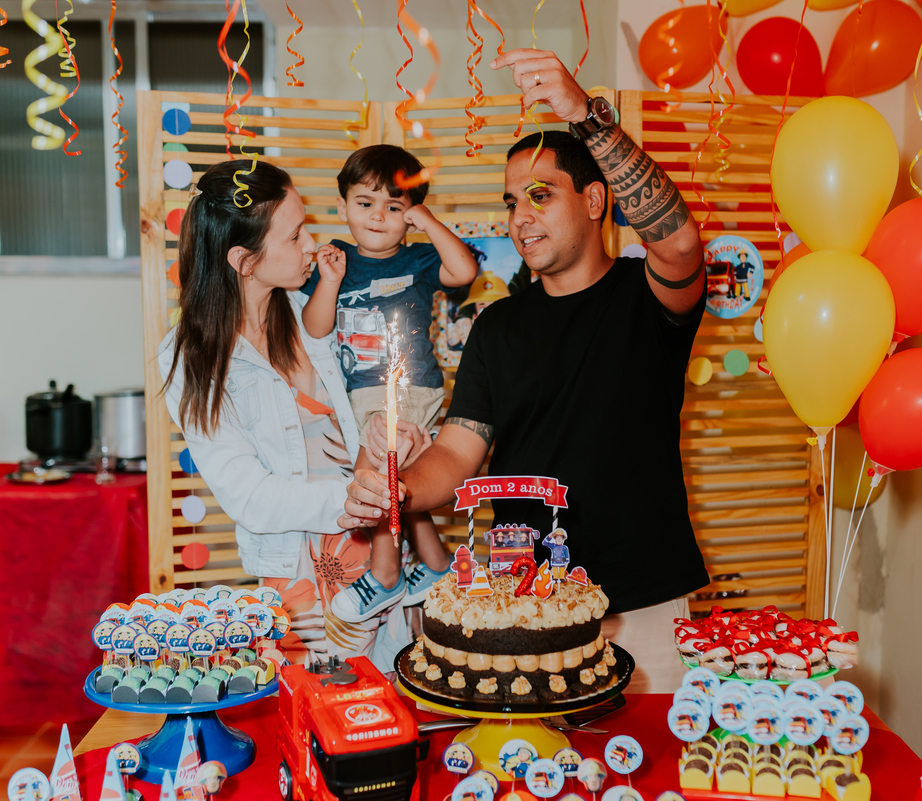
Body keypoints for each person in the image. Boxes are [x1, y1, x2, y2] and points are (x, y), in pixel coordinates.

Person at [341, 49, 710, 692]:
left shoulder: (643, 296)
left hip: (643, 608)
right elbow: (456, 454)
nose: (520, 218)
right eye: (512, 201)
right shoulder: (497, 327)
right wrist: (394, 490)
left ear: (595, 200)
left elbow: (678, 244)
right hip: (522, 608)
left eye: (541, 195)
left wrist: (584, 118)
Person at [158, 160, 424, 667]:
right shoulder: (194, 357)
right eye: (296, 234)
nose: (312, 245)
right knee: (329, 716)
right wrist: (351, 499)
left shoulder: (309, 314)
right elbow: (250, 497)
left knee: (397, 703)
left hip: (382, 552)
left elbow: (338, 437)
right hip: (301, 570)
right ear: (244, 259)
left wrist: (380, 440)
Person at [300, 145, 479, 624]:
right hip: (361, 395)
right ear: (342, 208)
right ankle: (439, 564)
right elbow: (315, 327)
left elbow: (464, 271)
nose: (378, 216)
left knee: (376, 482)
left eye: (394, 207)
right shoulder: (334, 262)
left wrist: (429, 222)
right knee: (397, 483)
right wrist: (330, 282)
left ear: (410, 215)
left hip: (408, 391)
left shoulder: (419, 259)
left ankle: (384, 574)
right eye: (365, 203)